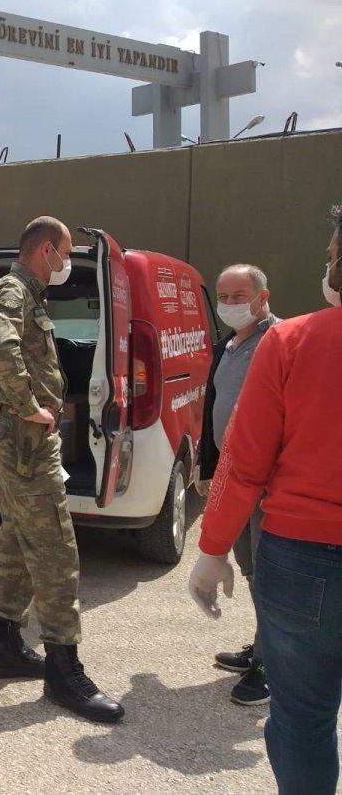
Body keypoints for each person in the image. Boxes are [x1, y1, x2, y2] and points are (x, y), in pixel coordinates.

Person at [189, 205, 342, 794]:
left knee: (304, 714)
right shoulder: (250, 345)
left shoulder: (291, 341)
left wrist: (210, 550)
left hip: (303, 556)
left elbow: (244, 462)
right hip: (302, 553)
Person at [0, 216, 123, 723]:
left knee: (17, 538)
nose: (67, 262)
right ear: (46, 250)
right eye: (65, 252)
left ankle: (4, 646)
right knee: (57, 549)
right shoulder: (14, 290)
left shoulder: (28, 293)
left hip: (25, 438)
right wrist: (27, 405)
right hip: (26, 440)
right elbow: (0, 348)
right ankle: (65, 669)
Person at [196, 264, 279, 706]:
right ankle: (264, 649)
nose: (229, 305)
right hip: (236, 480)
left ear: (263, 297)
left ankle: (271, 666)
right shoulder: (228, 345)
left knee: (271, 574)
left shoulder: (280, 341)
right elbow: (215, 405)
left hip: (270, 485)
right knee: (250, 568)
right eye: (223, 297)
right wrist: (208, 466)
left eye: (239, 295)